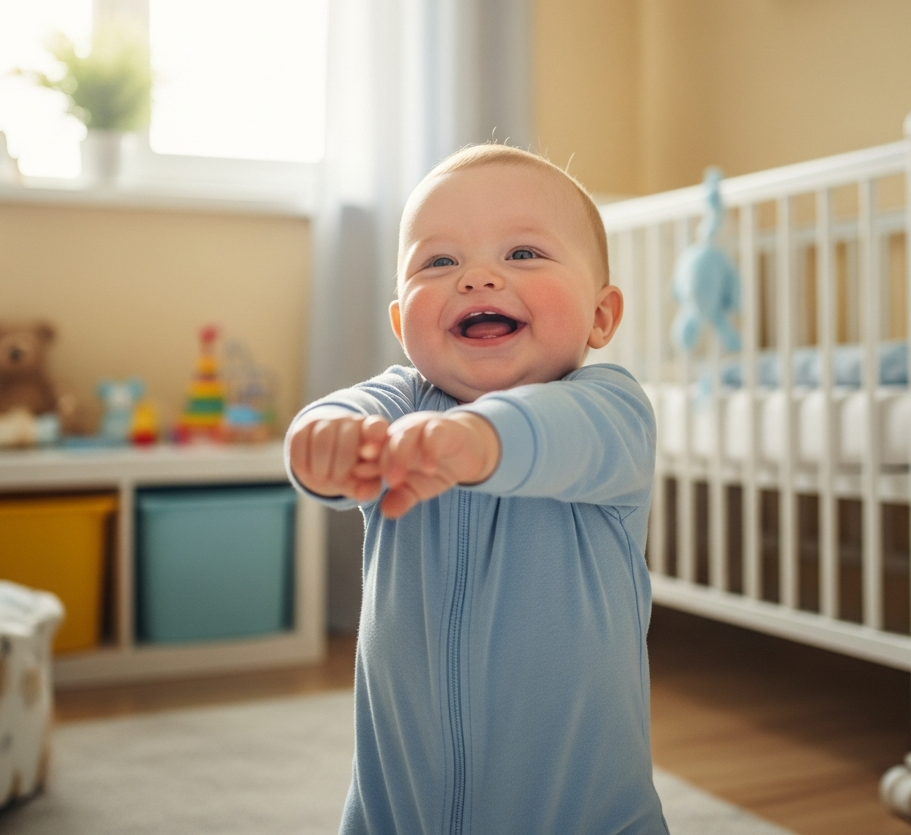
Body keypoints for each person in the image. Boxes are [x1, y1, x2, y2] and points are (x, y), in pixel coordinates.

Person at [285, 145, 667, 835]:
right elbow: (339, 420)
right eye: (440, 261)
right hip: (394, 814)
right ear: (403, 326)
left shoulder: (611, 410)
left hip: (585, 818)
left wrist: (474, 441)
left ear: (602, 316)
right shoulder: (400, 405)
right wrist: (324, 446)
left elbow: (554, 433)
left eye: (523, 253)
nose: (478, 278)